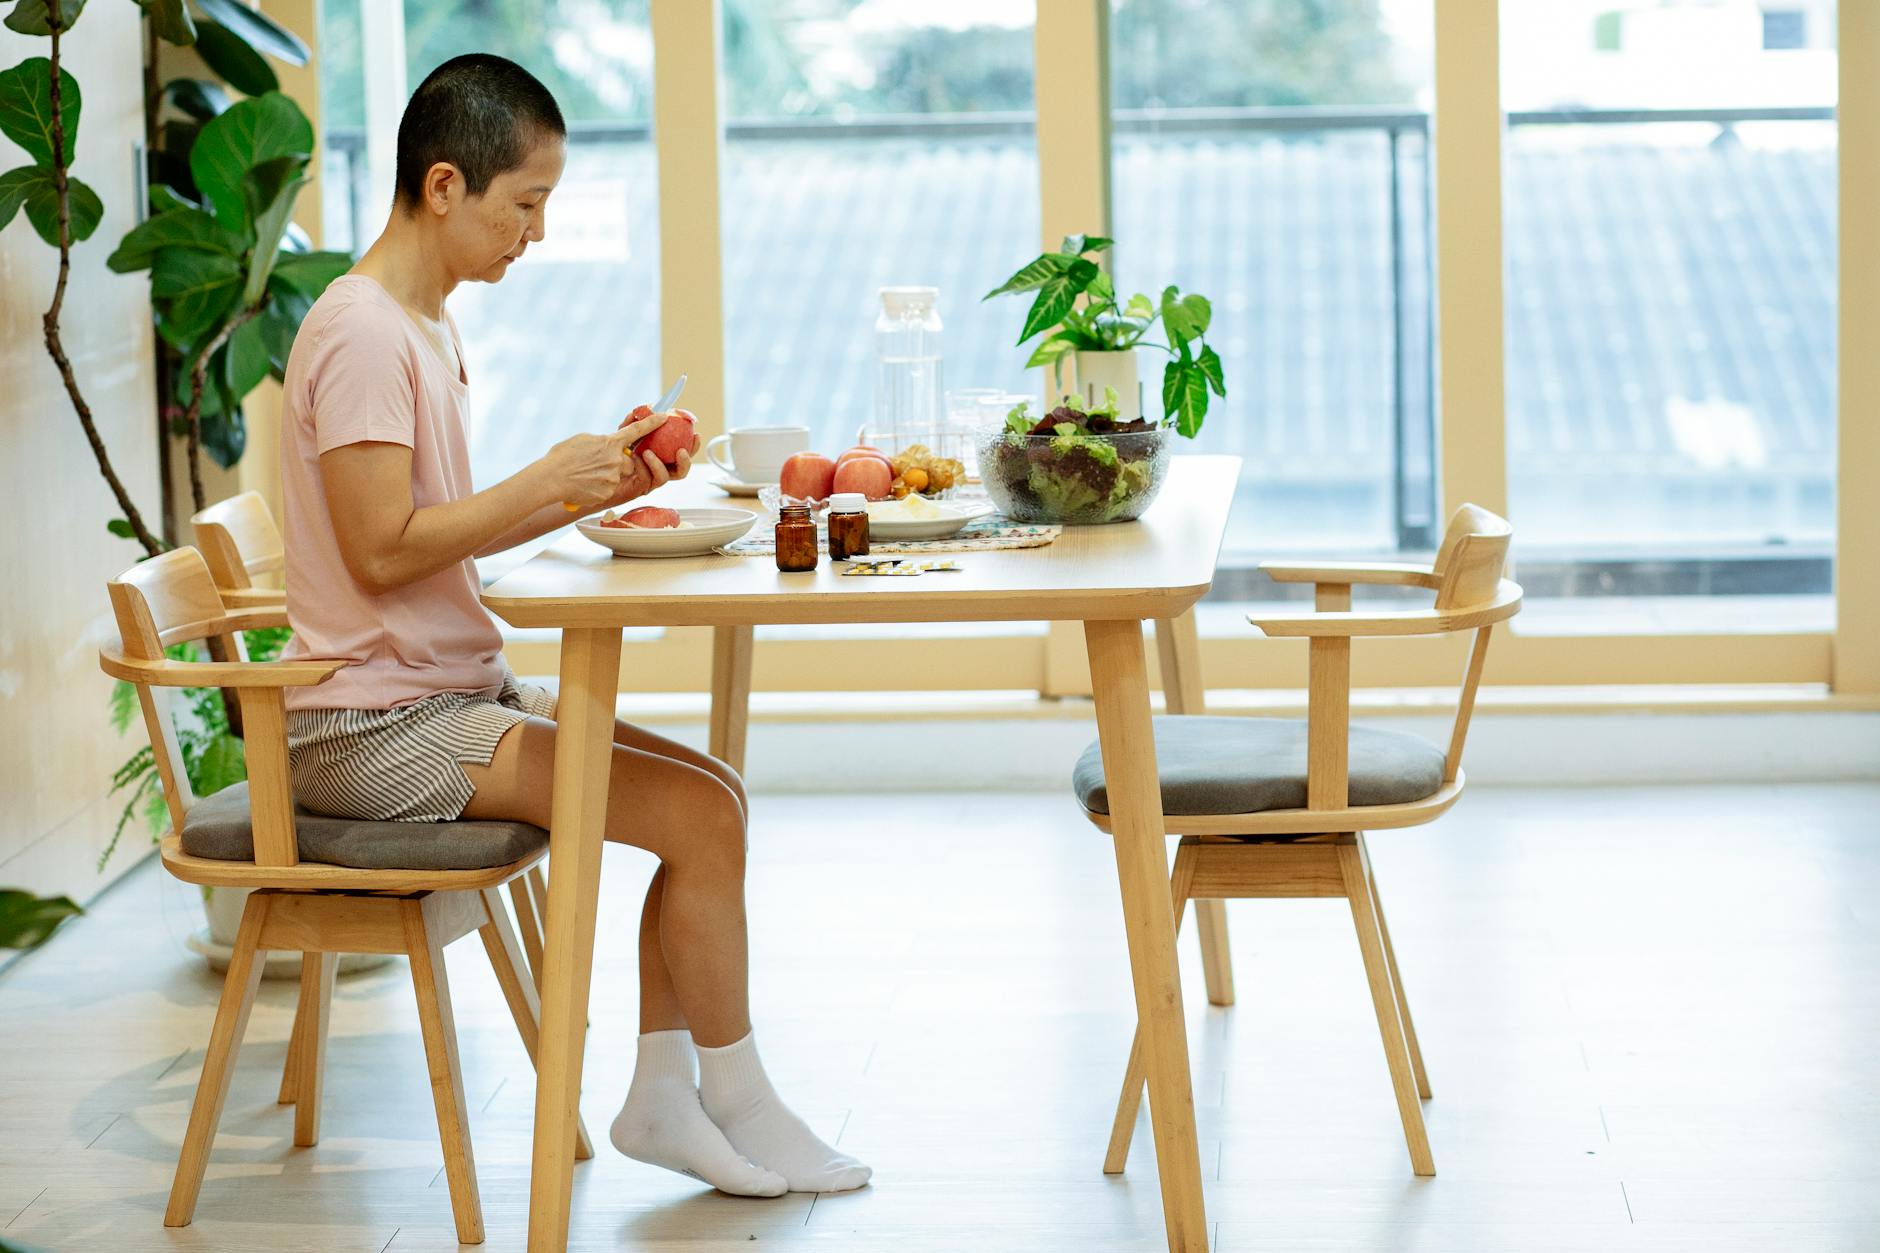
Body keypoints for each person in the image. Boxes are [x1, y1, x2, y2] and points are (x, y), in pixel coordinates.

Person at [276, 53, 869, 1198]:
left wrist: (583, 484)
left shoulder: (421, 321)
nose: (534, 235)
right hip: (365, 730)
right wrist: (544, 476)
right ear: (444, 186)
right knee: (697, 811)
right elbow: (381, 547)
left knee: (716, 798)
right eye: (525, 206)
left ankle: (666, 1094)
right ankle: (728, 1098)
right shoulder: (360, 334)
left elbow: (428, 532)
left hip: (440, 697)